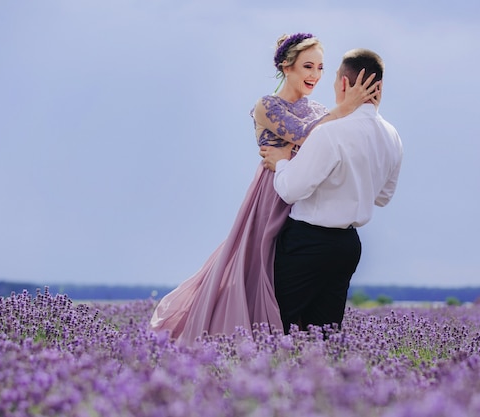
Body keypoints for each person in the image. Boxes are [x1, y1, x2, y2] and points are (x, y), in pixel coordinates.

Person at [149, 34, 379, 345]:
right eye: (307, 66)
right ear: (287, 67)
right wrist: (345, 108)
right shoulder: (267, 106)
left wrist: (359, 110)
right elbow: (303, 135)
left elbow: (334, 139)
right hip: (271, 195)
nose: (315, 75)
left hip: (306, 194)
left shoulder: (320, 109)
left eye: (321, 68)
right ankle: (233, 343)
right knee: (259, 269)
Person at [260, 48, 403, 334]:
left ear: (344, 84)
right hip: (347, 246)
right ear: (379, 88)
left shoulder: (330, 133)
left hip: (308, 241)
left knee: (277, 325)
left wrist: (282, 162)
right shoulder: (392, 135)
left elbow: (289, 190)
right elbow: (383, 197)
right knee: (326, 334)